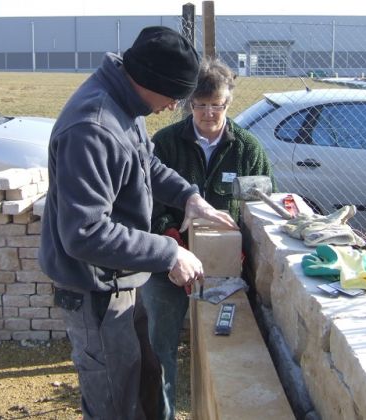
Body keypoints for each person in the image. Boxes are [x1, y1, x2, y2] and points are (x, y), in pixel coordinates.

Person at [38, 26, 237, 420]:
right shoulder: (93, 129)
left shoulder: (125, 102)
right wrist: (169, 253)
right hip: (95, 291)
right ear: (151, 81)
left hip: (124, 278)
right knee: (115, 401)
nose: (171, 108)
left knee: (144, 380)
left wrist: (189, 197)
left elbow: (144, 163)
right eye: (174, 98)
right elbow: (85, 233)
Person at [140, 57, 277, 419]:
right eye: (200, 105)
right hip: (168, 263)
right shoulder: (166, 144)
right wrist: (171, 245)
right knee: (159, 348)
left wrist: (243, 254)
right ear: (189, 104)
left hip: (227, 271)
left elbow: (261, 209)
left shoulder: (247, 150)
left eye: (216, 105)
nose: (208, 114)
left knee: (225, 346)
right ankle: (162, 414)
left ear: (228, 104)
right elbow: (147, 206)